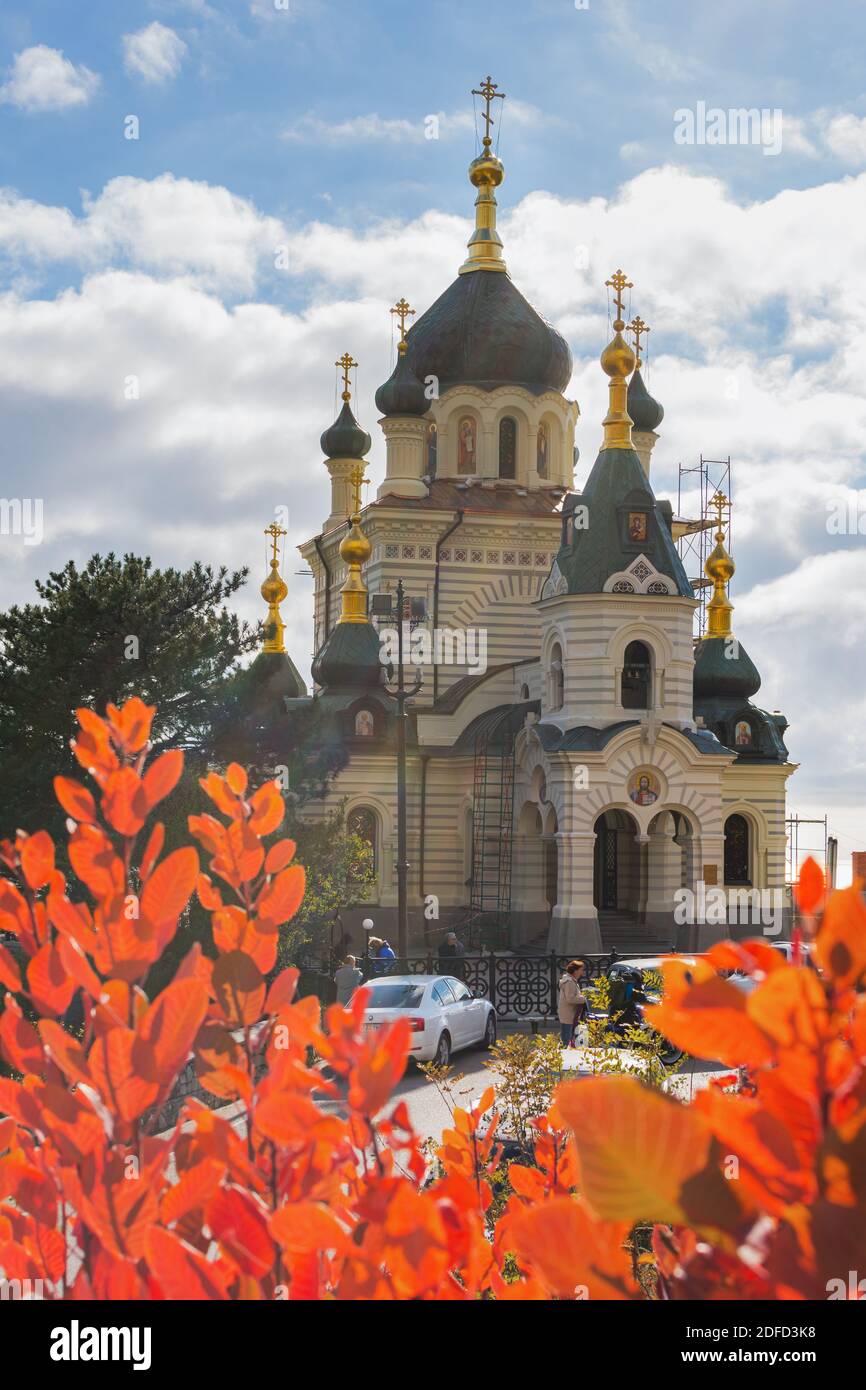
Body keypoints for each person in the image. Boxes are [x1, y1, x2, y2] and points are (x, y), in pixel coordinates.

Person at [557, 959, 586, 1047]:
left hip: (569, 1013)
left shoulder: (571, 980)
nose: (582, 973)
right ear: (575, 971)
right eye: (581, 970)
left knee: (568, 1036)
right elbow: (570, 998)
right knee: (566, 1038)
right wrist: (585, 999)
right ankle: (563, 1055)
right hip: (568, 1014)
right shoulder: (569, 982)